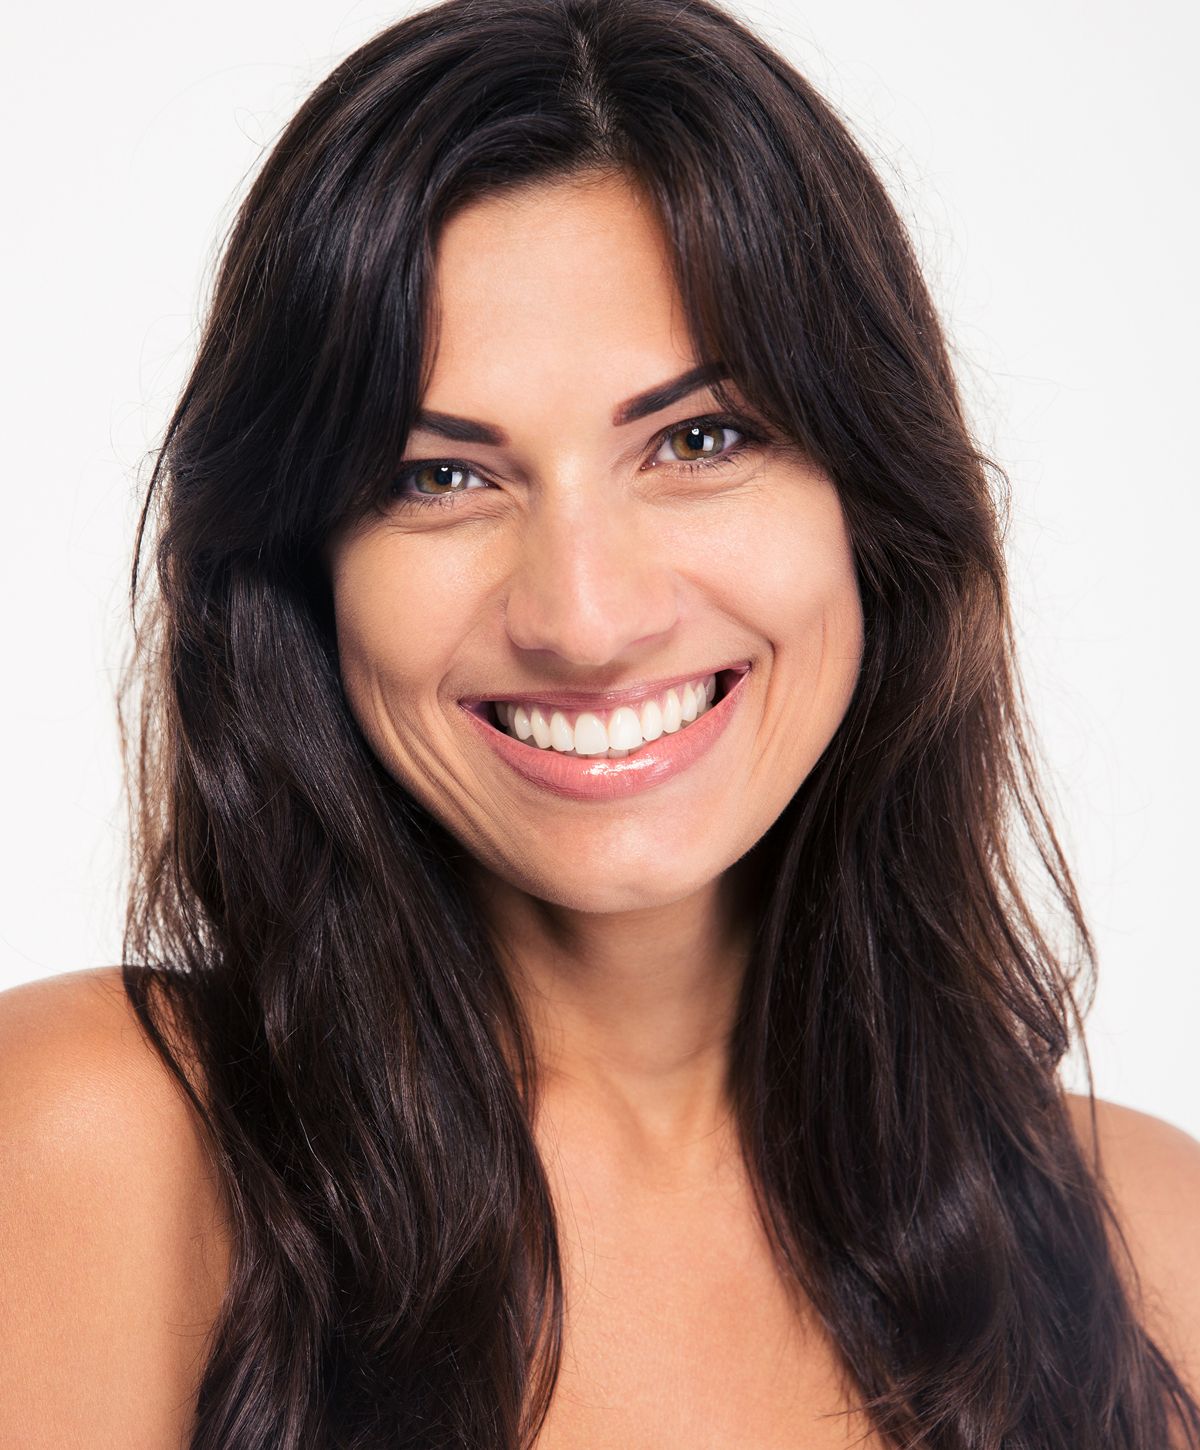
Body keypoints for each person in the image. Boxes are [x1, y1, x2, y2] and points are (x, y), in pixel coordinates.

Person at [1, 0, 1197, 1445]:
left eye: (700, 439)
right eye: (440, 477)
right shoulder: (96, 1143)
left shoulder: (1152, 1244)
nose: (584, 615)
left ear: (871, 511)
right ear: (304, 573)